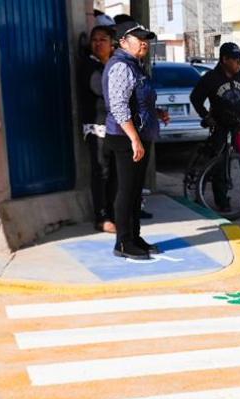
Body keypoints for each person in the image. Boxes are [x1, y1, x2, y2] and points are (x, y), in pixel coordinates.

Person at [103, 21, 169, 259]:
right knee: (126, 190)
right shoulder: (121, 66)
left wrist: (156, 111)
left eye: (146, 39)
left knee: (135, 191)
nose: (144, 43)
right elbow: (119, 107)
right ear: (122, 42)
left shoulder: (135, 65)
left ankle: (134, 236)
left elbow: (138, 100)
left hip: (137, 135)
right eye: (138, 38)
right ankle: (123, 242)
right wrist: (134, 139)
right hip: (125, 138)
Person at [190, 42, 240, 212]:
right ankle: (222, 202)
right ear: (224, 59)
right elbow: (195, 98)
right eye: (236, 60)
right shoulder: (210, 79)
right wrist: (206, 116)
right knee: (220, 165)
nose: (239, 63)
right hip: (221, 127)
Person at [77, 24, 117, 233]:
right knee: (101, 171)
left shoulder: (113, 65)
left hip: (116, 127)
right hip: (97, 126)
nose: (98, 43)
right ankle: (101, 217)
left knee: (114, 173)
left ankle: (113, 212)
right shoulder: (89, 66)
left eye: (103, 40)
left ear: (112, 45)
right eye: (95, 39)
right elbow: (101, 88)